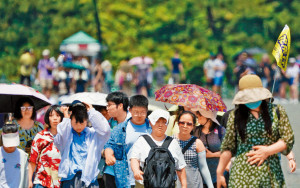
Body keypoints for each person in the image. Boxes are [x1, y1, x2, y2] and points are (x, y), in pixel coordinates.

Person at [217, 74, 294, 188]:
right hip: (241, 176)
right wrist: (220, 172)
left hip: (270, 174)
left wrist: (268, 151)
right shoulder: (234, 115)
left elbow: (287, 139)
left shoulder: (276, 111)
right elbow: (228, 146)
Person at [54, 101, 111, 188]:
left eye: (82, 122)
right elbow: (61, 136)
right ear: (70, 120)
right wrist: (66, 117)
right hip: (70, 179)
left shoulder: (92, 134)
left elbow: (105, 131)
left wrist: (92, 111)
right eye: (75, 123)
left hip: (89, 179)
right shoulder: (67, 134)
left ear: (86, 121)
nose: (79, 126)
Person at [130, 109, 187, 188]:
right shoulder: (142, 140)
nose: (161, 125)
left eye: (164, 122)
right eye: (157, 121)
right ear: (151, 122)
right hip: (144, 185)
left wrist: (184, 186)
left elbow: (180, 167)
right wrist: (136, 171)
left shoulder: (173, 143)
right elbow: (134, 159)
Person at [104, 95, 151, 188]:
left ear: (147, 111)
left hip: (148, 178)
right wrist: (108, 155)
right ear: (130, 110)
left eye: (142, 112)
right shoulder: (120, 129)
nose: (139, 115)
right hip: (126, 179)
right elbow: (109, 144)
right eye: (136, 112)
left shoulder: (153, 128)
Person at [174, 111, 213, 188]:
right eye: (182, 123)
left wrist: (210, 186)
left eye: (189, 124)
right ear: (178, 123)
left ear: (193, 126)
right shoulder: (170, 141)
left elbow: (203, 167)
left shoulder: (197, 143)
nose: (185, 126)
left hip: (194, 184)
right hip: (175, 183)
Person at [28, 105, 64, 188]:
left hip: (61, 182)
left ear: (62, 118)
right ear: (48, 118)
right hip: (42, 181)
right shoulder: (40, 136)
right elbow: (33, 160)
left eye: (58, 116)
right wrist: (29, 180)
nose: (55, 118)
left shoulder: (66, 136)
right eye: (51, 116)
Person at [101, 92, 131, 188]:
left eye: (110, 105)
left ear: (120, 106)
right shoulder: (107, 124)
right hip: (110, 172)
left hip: (128, 174)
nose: (107, 108)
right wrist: (105, 153)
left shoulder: (133, 124)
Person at [193, 109, 226, 188]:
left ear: (207, 117)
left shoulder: (221, 130)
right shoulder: (195, 131)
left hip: (218, 175)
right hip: (200, 175)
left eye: (200, 115)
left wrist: (212, 155)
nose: (197, 118)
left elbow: (228, 151)